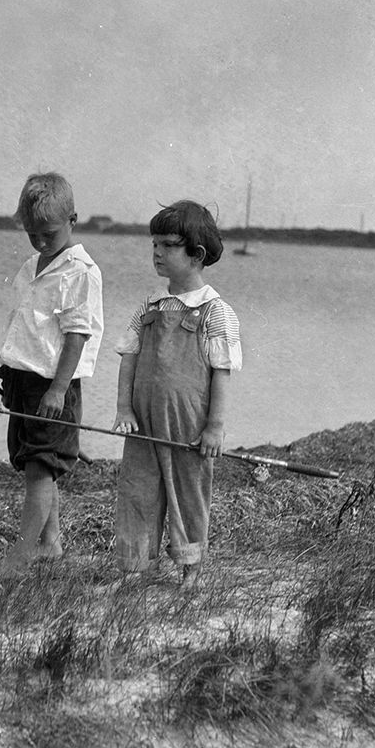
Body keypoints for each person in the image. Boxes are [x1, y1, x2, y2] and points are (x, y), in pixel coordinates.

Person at [112, 200, 241, 589]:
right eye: (154, 244)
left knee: (189, 494)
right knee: (137, 492)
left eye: (168, 245)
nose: (157, 252)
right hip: (143, 422)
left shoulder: (216, 311)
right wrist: (124, 408)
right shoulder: (149, 305)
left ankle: (191, 570)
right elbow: (129, 359)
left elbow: (221, 374)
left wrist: (214, 428)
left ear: (196, 254)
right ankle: (135, 568)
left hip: (189, 426)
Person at [0, 172, 104, 575]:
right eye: (32, 234)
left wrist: (57, 390)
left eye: (49, 234)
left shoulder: (80, 271)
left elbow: (77, 336)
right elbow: (26, 326)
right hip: (25, 380)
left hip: (55, 385)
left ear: (73, 220)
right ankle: (49, 544)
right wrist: (12, 373)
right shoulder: (31, 266)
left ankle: (20, 556)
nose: (40, 242)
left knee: (42, 467)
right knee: (33, 463)